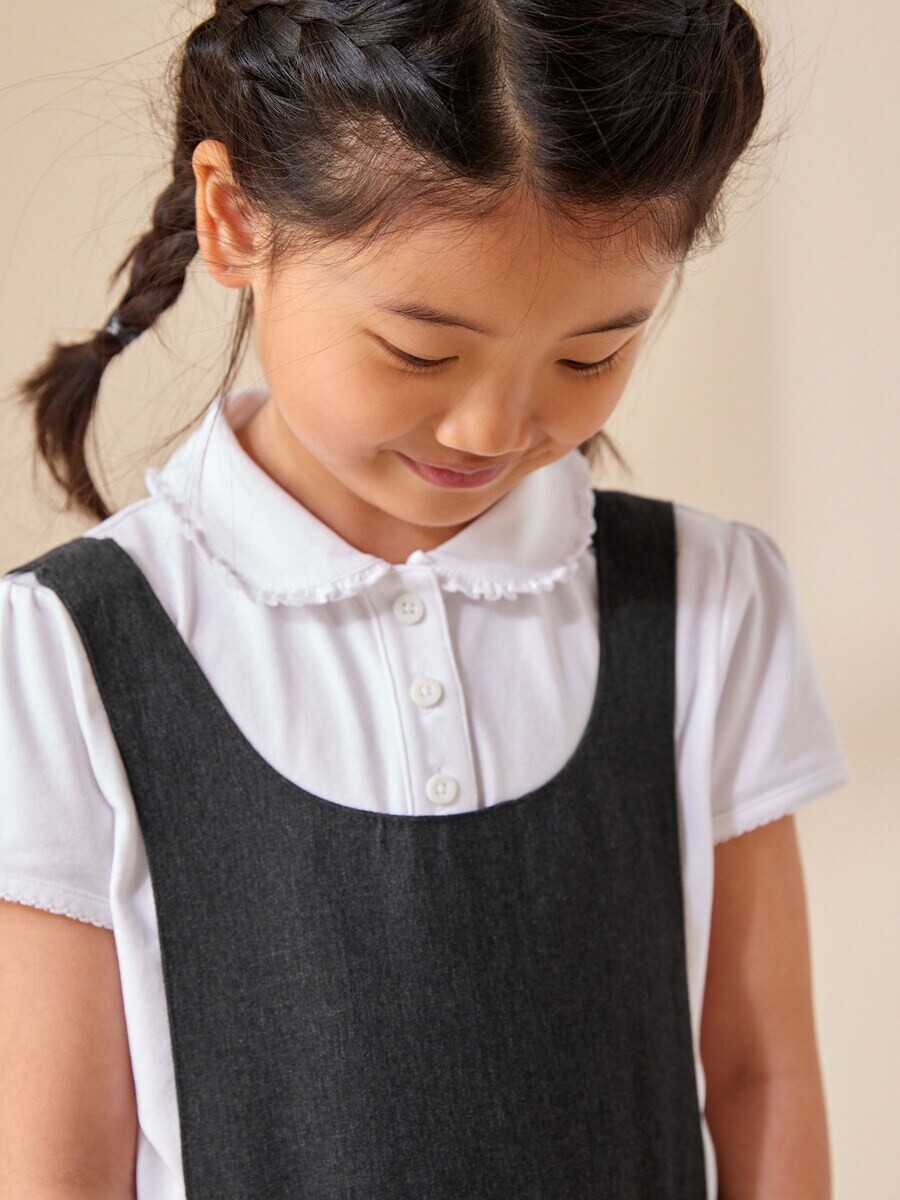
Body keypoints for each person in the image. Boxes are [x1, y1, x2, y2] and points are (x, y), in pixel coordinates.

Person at [0, 1, 849, 1197]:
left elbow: (764, 1074)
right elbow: (60, 1163)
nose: (493, 429)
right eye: (421, 351)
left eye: (590, 354)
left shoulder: (707, 602)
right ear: (235, 217)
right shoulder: (64, 656)